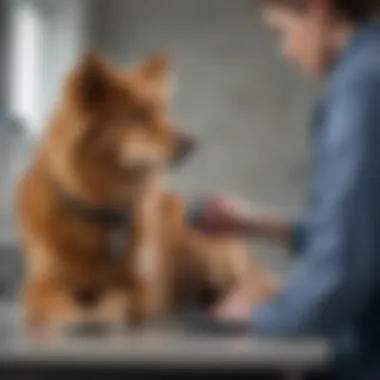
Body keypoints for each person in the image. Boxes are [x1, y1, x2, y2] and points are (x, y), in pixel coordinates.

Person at [189, 1, 380, 379]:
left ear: (318, 11)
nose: (286, 51)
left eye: (282, 31)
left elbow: (343, 268)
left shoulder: (362, 86)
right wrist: (256, 223)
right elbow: (361, 225)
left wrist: (259, 318)